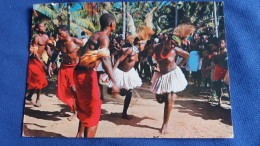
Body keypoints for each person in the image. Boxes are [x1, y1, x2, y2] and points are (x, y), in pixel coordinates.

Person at [73, 13, 119, 138]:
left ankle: (80, 135)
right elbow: (105, 59)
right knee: (93, 112)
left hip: (79, 73)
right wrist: (114, 82)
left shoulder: (95, 35)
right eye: (115, 23)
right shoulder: (104, 37)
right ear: (111, 24)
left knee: (86, 107)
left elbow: (89, 55)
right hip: (86, 74)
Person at [148, 34, 189, 135]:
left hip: (172, 74)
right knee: (160, 99)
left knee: (169, 98)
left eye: (174, 45)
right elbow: (149, 57)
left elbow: (187, 55)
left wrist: (179, 66)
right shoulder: (156, 47)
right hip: (160, 74)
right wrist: (153, 65)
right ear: (168, 39)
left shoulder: (175, 50)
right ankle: (165, 96)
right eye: (172, 43)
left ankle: (165, 124)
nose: (172, 46)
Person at [48, 25, 84, 121]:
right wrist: (50, 63)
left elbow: (86, 49)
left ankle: (76, 112)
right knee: (66, 90)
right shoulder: (59, 43)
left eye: (60, 34)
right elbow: (55, 54)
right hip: (64, 67)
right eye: (58, 34)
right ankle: (76, 110)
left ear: (66, 32)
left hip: (74, 68)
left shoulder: (75, 41)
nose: (58, 36)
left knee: (74, 89)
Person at [107, 37, 146, 119]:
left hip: (129, 73)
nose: (144, 45)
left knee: (129, 92)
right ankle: (111, 90)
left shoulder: (138, 52)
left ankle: (124, 113)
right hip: (120, 72)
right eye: (143, 43)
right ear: (138, 44)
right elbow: (118, 60)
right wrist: (111, 73)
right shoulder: (129, 50)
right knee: (117, 92)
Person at [26, 22, 52, 107]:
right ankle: (37, 99)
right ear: (37, 29)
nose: (44, 27)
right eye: (42, 26)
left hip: (39, 61)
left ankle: (30, 97)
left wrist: (52, 59)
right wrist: (42, 63)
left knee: (39, 80)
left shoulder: (46, 37)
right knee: (39, 79)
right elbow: (35, 51)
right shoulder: (36, 37)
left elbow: (48, 49)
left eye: (44, 25)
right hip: (34, 61)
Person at [212, 39, 228, 106]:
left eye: (222, 43)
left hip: (225, 70)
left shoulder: (226, 52)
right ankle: (219, 101)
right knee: (218, 85)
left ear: (225, 44)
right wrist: (214, 56)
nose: (220, 44)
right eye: (220, 43)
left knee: (227, 86)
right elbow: (215, 62)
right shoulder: (217, 52)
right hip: (218, 69)